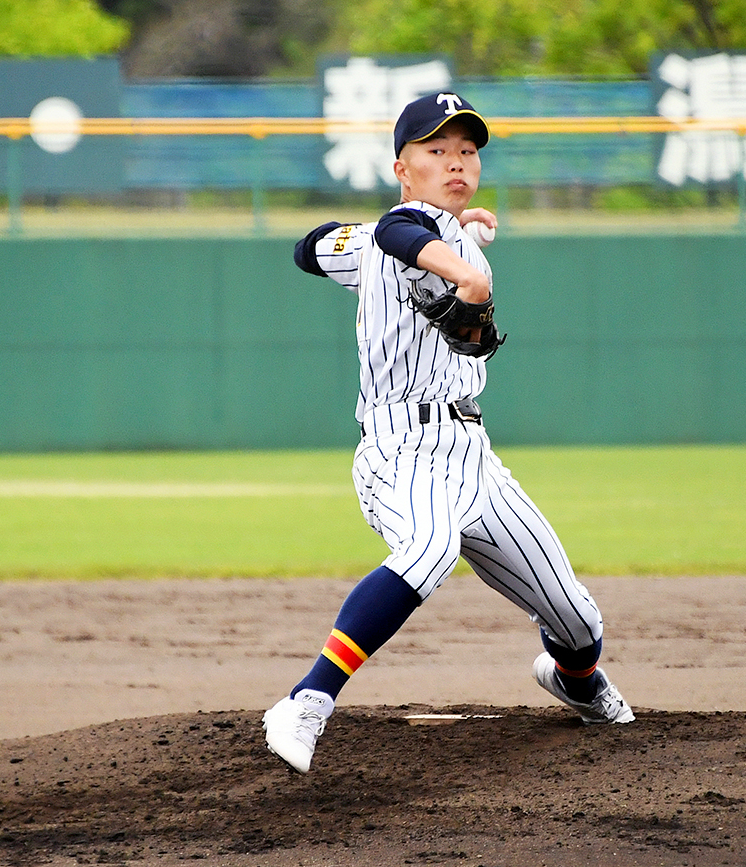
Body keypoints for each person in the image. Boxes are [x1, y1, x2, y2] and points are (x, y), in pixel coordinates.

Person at [263, 91, 634, 774]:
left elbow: (314, 249)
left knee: (576, 620)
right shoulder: (398, 231)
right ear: (403, 166)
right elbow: (378, 236)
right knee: (428, 548)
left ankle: (574, 684)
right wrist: (459, 263)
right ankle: (306, 701)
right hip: (401, 447)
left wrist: (463, 239)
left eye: (467, 151)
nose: (456, 162)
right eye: (436, 151)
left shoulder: (445, 236)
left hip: (473, 455)